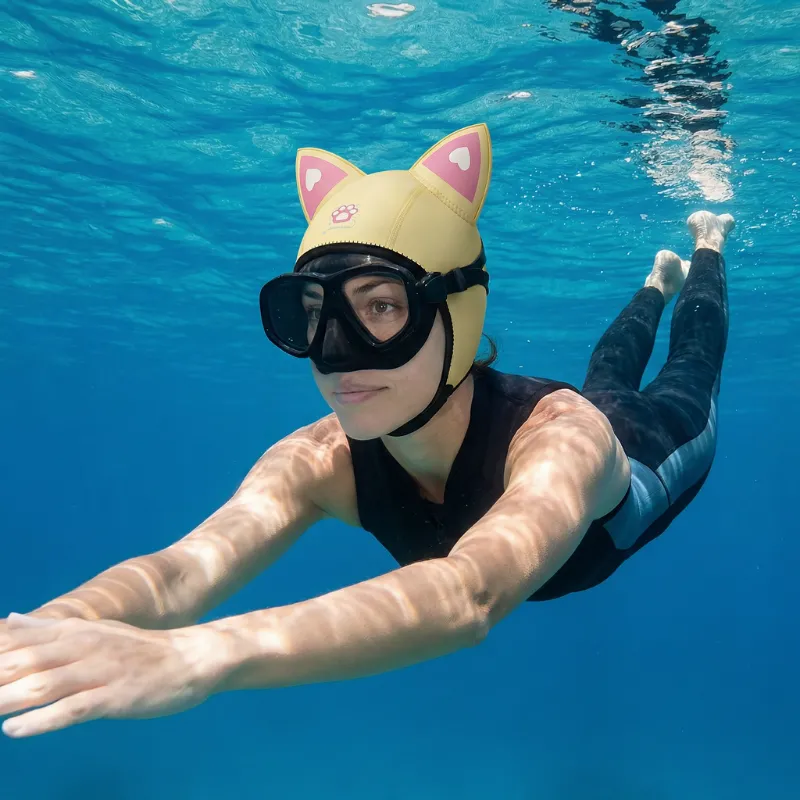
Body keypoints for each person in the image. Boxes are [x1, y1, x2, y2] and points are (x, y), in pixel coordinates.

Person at [0, 124, 734, 739]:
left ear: (456, 313)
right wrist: (39, 631)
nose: (336, 352)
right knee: (607, 369)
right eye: (312, 314)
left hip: (649, 453)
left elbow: (469, 594)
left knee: (687, 369)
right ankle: (654, 284)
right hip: (588, 421)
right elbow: (181, 572)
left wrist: (200, 657)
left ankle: (707, 247)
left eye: (381, 307)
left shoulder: (560, 438)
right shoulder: (317, 459)